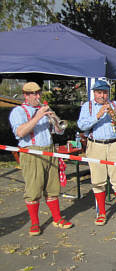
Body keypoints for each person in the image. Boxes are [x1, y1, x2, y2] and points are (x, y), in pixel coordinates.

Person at [9, 82, 73, 236]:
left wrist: (56, 123)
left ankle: (57, 218)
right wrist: (38, 117)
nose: (38, 97)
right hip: (31, 152)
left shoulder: (43, 110)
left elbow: (57, 132)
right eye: (34, 94)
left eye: (39, 93)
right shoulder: (18, 111)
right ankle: (35, 223)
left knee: (52, 186)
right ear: (26, 95)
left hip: (49, 149)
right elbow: (20, 132)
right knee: (34, 188)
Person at [77, 80, 116, 226]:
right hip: (96, 145)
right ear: (94, 93)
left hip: (114, 144)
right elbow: (81, 125)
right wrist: (98, 115)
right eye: (99, 92)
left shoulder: (115, 105)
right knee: (98, 180)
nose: (102, 96)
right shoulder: (87, 107)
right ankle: (101, 213)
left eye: (105, 92)